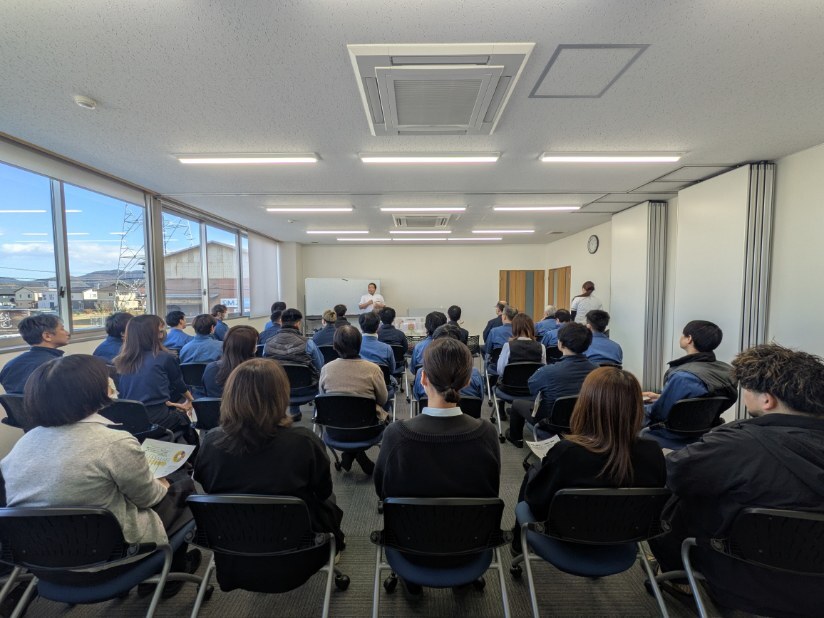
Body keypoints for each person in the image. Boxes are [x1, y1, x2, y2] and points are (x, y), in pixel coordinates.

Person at [648, 344, 824, 616]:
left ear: (767, 400)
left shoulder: (734, 446)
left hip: (740, 580)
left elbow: (672, 474)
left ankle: (678, 576)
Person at [1, 355, 199, 594]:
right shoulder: (114, 442)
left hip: (43, 562)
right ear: (91, 392)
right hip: (113, 559)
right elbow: (149, 499)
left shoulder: (24, 444)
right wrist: (163, 484)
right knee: (183, 487)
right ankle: (168, 575)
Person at [374, 338, 500, 583]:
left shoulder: (396, 435)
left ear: (423, 379)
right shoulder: (487, 433)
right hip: (470, 544)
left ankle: (412, 584)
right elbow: (490, 489)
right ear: (467, 381)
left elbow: (383, 491)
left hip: (409, 544)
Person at [195, 358, 345, 555]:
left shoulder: (211, 441)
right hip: (298, 547)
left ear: (230, 395)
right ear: (281, 395)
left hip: (233, 545)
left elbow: (206, 485)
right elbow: (323, 491)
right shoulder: (304, 442)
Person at [513, 367, 666, 551]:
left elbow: (537, 504)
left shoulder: (567, 452)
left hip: (565, 535)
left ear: (586, 404)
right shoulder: (653, 452)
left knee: (533, 472)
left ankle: (517, 545)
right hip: (623, 534)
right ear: (637, 407)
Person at [642, 320, 737, 442]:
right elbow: (700, 402)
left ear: (689, 339)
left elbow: (658, 414)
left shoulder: (683, 376)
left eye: (683, 334)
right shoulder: (727, 371)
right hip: (706, 430)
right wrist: (661, 397)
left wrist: (637, 405)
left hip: (672, 432)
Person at [506, 323, 597, 447]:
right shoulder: (597, 371)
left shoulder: (547, 371)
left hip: (550, 423)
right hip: (584, 422)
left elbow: (532, 389)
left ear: (560, 344)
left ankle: (515, 438)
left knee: (517, 403)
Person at [114, 314, 197, 442]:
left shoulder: (120, 361)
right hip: (157, 418)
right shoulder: (164, 358)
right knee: (185, 421)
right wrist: (190, 400)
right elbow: (179, 384)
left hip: (130, 420)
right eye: (160, 331)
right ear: (153, 335)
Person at [318, 325, 388, 474]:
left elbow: (323, 399)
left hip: (335, 430)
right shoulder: (373, 369)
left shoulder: (326, 369)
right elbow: (382, 399)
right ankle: (359, 456)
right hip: (367, 430)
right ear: (359, 344)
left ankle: (350, 455)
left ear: (335, 346)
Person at [412, 324, 485, 403]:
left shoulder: (421, 373)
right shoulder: (474, 374)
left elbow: (417, 397)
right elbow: (480, 399)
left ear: (433, 343)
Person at [0, 314, 70, 394]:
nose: (67, 333)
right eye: (62, 329)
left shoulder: (9, 366)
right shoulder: (60, 366)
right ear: (47, 336)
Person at [263, 308, 323, 388]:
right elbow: (320, 366)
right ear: (298, 324)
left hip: (275, 389)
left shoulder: (268, 343)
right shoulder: (308, 343)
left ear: (281, 322)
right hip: (304, 389)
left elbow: (264, 367)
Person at [202, 325, 259, 398]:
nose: (256, 347)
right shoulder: (257, 372)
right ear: (250, 348)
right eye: (255, 344)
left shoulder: (211, 369)